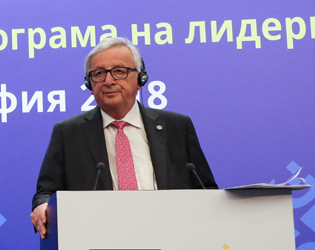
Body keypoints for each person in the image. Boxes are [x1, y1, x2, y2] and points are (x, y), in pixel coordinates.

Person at [31, 37, 216, 238]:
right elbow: (46, 193)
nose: (108, 81)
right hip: (101, 243)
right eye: (99, 74)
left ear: (140, 79)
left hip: (172, 237)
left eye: (119, 71)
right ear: (89, 85)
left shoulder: (176, 127)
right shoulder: (68, 133)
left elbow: (205, 190)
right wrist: (43, 207)